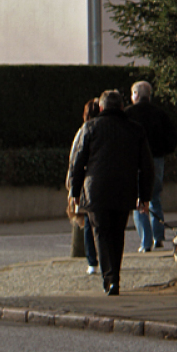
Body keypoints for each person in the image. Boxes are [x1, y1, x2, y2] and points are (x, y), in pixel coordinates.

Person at [67, 90, 153, 296]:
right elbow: (147, 166)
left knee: (101, 234)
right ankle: (115, 276)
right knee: (117, 234)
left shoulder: (90, 128)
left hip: (96, 190)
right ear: (122, 107)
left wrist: (75, 191)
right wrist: (144, 195)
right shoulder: (135, 129)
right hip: (124, 189)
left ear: (102, 108)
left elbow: (78, 162)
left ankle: (110, 279)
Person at [125, 81, 177, 252]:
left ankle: (145, 242)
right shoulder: (160, 114)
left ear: (135, 94)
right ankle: (158, 237)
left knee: (138, 199)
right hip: (156, 159)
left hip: (135, 161)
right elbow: (172, 138)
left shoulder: (128, 114)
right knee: (155, 198)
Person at [67, 98, 101, 275]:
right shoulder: (105, 129)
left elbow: (75, 159)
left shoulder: (84, 131)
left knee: (88, 220)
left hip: (87, 183)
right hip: (103, 181)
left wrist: (73, 186)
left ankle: (92, 261)